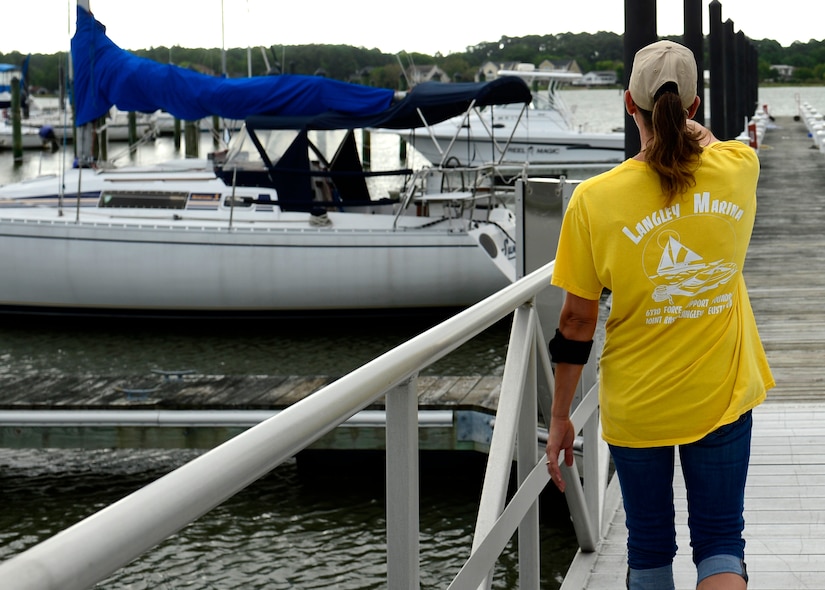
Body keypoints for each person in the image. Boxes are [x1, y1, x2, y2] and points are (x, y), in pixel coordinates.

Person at [544, 40, 774, 590]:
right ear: (694, 106)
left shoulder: (594, 200)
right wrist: (687, 124)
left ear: (629, 104)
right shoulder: (740, 168)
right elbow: (708, 143)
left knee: (648, 548)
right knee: (720, 542)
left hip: (636, 403)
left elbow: (576, 324)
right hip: (720, 392)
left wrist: (559, 416)